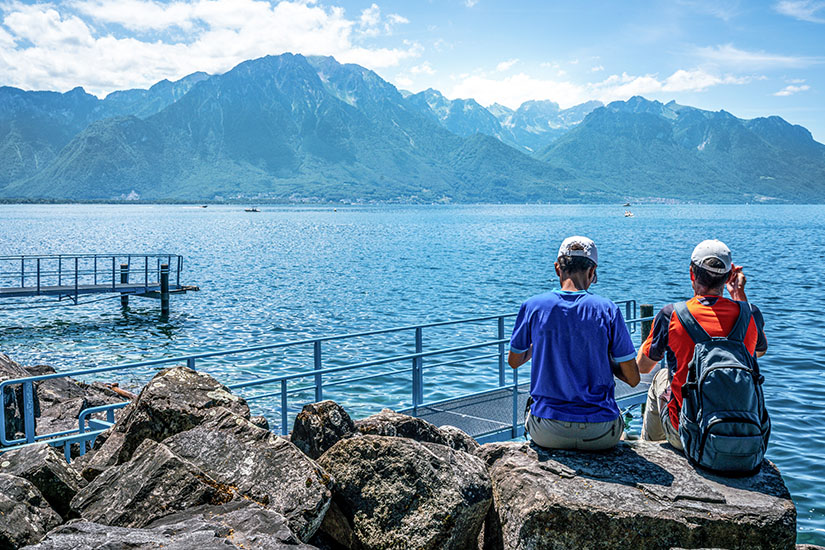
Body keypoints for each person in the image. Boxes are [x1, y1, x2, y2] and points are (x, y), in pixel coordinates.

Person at [508, 236, 641, 451]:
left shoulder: (532, 306)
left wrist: (540, 344)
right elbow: (634, 379)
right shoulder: (608, 310)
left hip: (547, 432)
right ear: (592, 272)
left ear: (557, 268)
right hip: (600, 433)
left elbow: (514, 361)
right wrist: (606, 358)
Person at [637, 239, 768, 450]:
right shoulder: (750, 313)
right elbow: (759, 352)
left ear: (692, 273)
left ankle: (651, 452)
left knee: (659, 377)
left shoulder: (672, 315)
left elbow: (642, 367)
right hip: (743, 434)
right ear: (728, 277)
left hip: (688, 435)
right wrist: (737, 294)